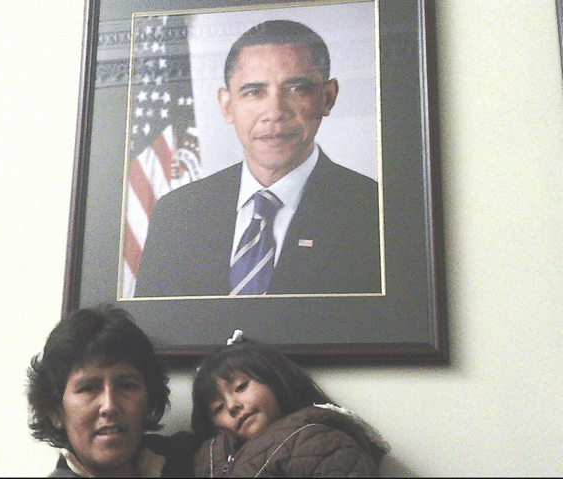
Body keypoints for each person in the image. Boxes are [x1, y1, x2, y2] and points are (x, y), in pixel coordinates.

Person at [134, 19, 381, 297]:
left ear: (327, 97)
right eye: (254, 92)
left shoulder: (375, 212)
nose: (274, 111)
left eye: (296, 89)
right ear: (227, 106)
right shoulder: (177, 214)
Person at [26, 304, 198, 477]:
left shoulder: (192, 460)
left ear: (149, 400)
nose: (109, 406)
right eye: (88, 388)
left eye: (126, 386)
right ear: (56, 411)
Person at [191, 330, 390, 477]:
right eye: (218, 408)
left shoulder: (316, 440)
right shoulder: (209, 457)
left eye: (241, 387)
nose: (232, 406)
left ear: (274, 379)